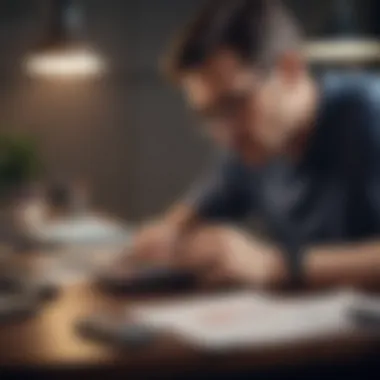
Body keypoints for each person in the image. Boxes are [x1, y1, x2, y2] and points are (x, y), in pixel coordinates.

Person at [129, 0, 380, 289]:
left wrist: (275, 265)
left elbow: (270, 266)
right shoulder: (251, 144)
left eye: (234, 104)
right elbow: (192, 213)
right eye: (208, 115)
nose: (223, 132)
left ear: (290, 69)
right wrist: (167, 234)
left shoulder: (370, 116)